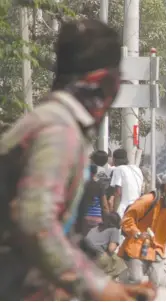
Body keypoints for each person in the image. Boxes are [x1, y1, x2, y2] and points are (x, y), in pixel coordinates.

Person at [0, 19, 155, 300]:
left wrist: (107, 283)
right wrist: (99, 287)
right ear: (104, 83)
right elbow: (36, 221)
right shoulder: (58, 131)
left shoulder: (49, 122)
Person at [118, 172, 166, 286]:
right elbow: (127, 219)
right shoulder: (148, 200)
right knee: (136, 279)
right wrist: (137, 233)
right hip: (137, 245)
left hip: (156, 248)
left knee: (156, 282)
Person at [85, 213, 127, 279]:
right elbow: (111, 249)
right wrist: (116, 244)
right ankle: (107, 280)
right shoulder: (114, 230)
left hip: (85, 256)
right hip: (97, 257)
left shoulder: (94, 228)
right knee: (119, 262)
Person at [110, 148, 144, 219]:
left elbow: (118, 192)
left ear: (114, 160)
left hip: (125, 208)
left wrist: (113, 210)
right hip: (139, 207)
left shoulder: (118, 169)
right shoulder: (137, 169)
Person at [78, 164, 110, 236]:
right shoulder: (99, 185)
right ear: (95, 173)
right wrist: (108, 218)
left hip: (85, 217)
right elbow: (104, 205)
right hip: (97, 219)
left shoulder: (84, 185)